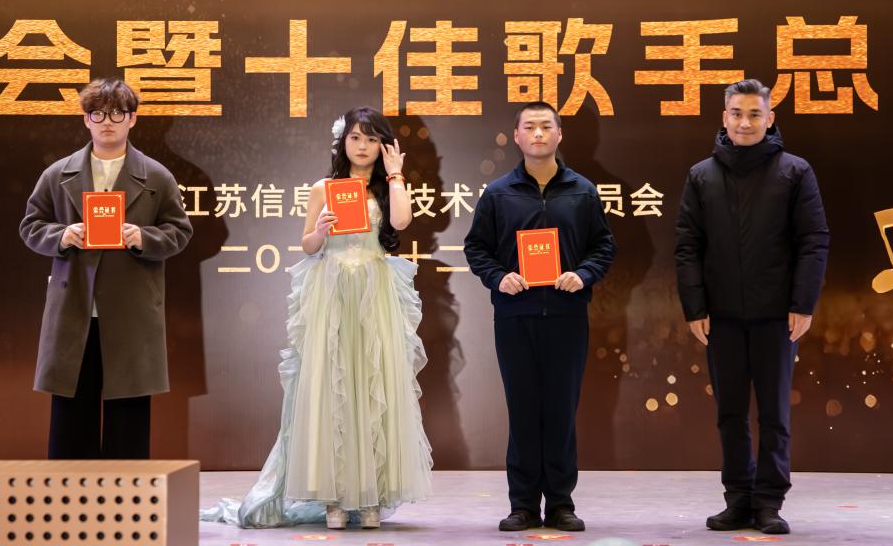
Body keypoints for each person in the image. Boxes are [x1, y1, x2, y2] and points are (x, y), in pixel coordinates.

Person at [202, 106, 432, 529]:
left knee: (374, 385)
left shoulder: (387, 188)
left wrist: (396, 174)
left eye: (371, 139)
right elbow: (307, 245)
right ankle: (333, 498)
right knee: (332, 387)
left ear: (382, 146)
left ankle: (371, 497)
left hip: (374, 291)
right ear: (343, 142)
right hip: (332, 292)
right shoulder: (324, 188)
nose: (362, 146)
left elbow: (401, 221)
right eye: (355, 138)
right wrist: (322, 230)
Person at [675, 79, 830, 535]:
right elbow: (688, 245)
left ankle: (769, 503)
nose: (745, 123)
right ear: (724, 117)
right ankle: (738, 498)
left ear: (769, 118)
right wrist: (694, 307)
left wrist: (803, 303)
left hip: (776, 316)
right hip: (720, 316)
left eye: (754, 114)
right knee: (730, 413)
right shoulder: (701, 175)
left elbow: (814, 240)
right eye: (737, 114)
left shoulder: (795, 172)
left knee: (775, 415)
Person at [18, 78, 193, 459]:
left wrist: (143, 237)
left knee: (128, 416)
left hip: (131, 309)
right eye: (98, 114)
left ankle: (126, 495)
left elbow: (180, 232)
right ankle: (70, 494)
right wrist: (62, 235)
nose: (107, 122)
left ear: (132, 119)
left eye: (117, 113)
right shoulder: (58, 173)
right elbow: (30, 226)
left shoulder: (156, 176)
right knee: (71, 416)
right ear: (86, 119)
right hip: (75, 307)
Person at [464, 101, 615, 532]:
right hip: (516, 317)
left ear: (559, 134)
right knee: (524, 410)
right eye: (529, 127)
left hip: (567, 316)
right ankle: (524, 505)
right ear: (517, 136)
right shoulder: (498, 193)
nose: (538, 134)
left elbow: (603, 246)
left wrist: (582, 275)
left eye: (546, 126)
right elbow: (476, 248)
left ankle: (561, 504)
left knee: (562, 411)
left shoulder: (582, 191)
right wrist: (500, 278)